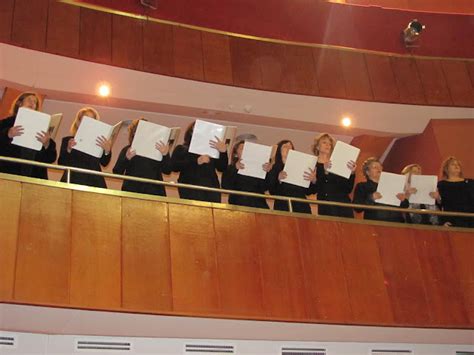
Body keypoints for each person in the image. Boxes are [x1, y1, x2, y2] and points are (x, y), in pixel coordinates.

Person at [0, 92, 57, 179]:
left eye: (35, 102)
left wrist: (47, 144)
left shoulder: (43, 126)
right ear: (19, 103)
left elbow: (50, 159)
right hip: (8, 174)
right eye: (29, 100)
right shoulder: (6, 123)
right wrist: (7, 134)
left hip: (35, 177)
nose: (32, 103)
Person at [171, 121, 228, 203]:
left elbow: (222, 168)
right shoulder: (182, 149)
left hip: (211, 189)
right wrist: (196, 161)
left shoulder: (212, 149)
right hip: (190, 188)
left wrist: (223, 152)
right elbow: (174, 167)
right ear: (190, 132)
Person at [113, 118, 171, 196]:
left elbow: (167, 171)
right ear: (133, 133)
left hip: (155, 193)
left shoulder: (158, 150)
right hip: (132, 192)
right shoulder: (128, 150)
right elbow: (117, 171)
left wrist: (165, 154)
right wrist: (126, 159)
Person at [58, 107, 111, 188]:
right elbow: (61, 163)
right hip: (72, 181)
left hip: (95, 183)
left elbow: (104, 163)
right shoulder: (68, 140)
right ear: (78, 122)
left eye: (93, 120)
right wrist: (68, 149)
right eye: (86, 119)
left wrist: (107, 151)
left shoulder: (100, 141)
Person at [312, 133, 355, 218]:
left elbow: (348, 188)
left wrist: (352, 173)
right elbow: (313, 189)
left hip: (343, 205)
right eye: (324, 142)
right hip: (326, 206)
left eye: (330, 144)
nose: (328, 145)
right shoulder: (313, 165)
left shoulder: (338, 163)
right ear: (317, 146)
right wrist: (324, 172)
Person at [267, 140, 316, 214]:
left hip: (302, 206)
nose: (289, 148)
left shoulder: (300, 166)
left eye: (291, 147)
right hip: (283, 206)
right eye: (285, 146)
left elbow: (308, 192)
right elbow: (272, 191)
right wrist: (278, 179)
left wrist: (313, 180)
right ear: (279, 150)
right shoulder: (274, 168)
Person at [353, 157, 408, 222]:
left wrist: (403, 200)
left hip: (397, 221)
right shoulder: (362, 186)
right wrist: (371, 198)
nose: (379, 169)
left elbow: (405, 206)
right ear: (367, 172)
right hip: (376, 222)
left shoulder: (392, 184)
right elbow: (357, 208)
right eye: (375, 167)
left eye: (380, 167)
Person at [221, 140, 272, 209]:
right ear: (235, 154)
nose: (245, 150)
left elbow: (265, 187)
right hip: (238, 205)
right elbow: (225, 186)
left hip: (259, 205)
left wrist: (268, 172)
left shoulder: (259, 168)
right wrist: (235, 168)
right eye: (242, 148)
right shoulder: (230, 168)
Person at [436, 157, 473, 228]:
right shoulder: (441, 184)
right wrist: (442, 221)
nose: (456, 166)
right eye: (453, 164)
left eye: (458, 164)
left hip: (470, 220)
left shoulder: (470, 183)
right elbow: (438, 205)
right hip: (451, 220)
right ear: (446, 169)